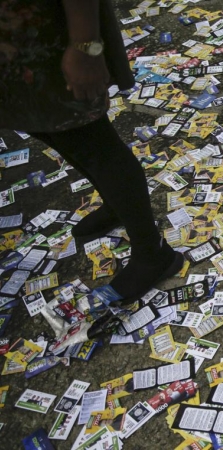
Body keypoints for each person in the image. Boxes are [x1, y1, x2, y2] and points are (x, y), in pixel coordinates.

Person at [0, 0, 183, 304]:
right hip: (13, 52)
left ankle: (152, 253)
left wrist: (85, 46)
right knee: (53, 131)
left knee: (90, 139)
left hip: (43, 39)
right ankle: (116, 206)